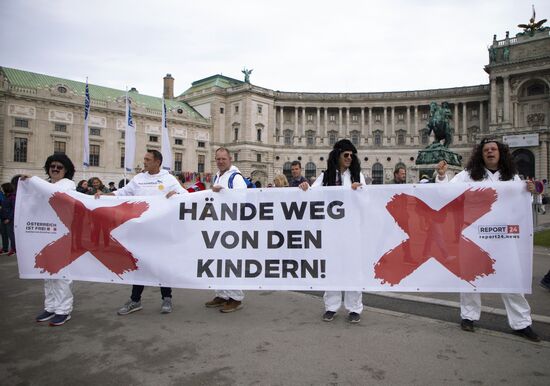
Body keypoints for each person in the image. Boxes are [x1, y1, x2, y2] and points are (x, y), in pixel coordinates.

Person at [450, 137, 540, 342]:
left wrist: (531, 191)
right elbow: (448, 191)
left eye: (494, 149)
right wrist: (439, 177)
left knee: (511, 278)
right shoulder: (468, 175)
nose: (490, 152)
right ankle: (469, 316)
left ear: (500, 153)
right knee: (471, 278)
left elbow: (521, 202)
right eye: (486, 150)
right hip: (475, 233)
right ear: (481, 155)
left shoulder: (512, 177)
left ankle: (521, 322)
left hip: (503, 235)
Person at [95, 149, 188, 315]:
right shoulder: (138, 179)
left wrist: (177, 193)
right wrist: (104, 196)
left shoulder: (168, 179)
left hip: (160, 231)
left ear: (157, 162)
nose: (144, 162)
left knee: (161, 266)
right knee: (139, 265)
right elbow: (122, 193)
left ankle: (167, 298)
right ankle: (135, 300)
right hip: (140, 232)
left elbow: (186, 195)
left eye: (147, 159)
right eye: (144, 159)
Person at [299, 139, 366, 323]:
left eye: (352, 156)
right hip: (332, 230)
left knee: (353, 267)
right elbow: (312, 196)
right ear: (337, 155)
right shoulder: (326, 176)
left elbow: (365, 202)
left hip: (352, 229)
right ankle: (331, 306)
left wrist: (356, 192)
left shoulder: (357, 176)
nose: (349, 158)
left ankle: (354, 307)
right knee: (332, 267)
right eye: (346, 155)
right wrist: (305, 189)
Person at [25, 154, 77, 326]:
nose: (55, 169)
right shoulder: (45, 184)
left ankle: (64, 310)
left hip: (62, 235)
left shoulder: (68, 184)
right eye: (52, 166)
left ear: (66, 170)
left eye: (59, 167)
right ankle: (51, 307)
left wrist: (34, 181)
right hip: (45, 233)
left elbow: (57, 194)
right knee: (47, 274)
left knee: (61, 275)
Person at [204, 147, 246, 313]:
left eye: (223, 159)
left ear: (230, 160)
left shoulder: (235, 178)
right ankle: (222, 293)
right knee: (219, 261)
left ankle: (235, 297)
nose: (220, 161)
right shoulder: (218, 176)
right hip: (219, 224)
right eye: (218, 159)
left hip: (232, 226)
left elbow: (243, 197)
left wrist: (224, 192)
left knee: (231, 262)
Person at [0, 183, 16, 256]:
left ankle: (13, 249)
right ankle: (5, 248)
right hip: (3, 218)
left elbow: (14, 209)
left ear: (6, 188)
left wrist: (9, 219)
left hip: (9, 219)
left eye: (2, 188)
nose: (2, 190)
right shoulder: (5, 196)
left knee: (10, 234)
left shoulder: (12, 197)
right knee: (4, 234)